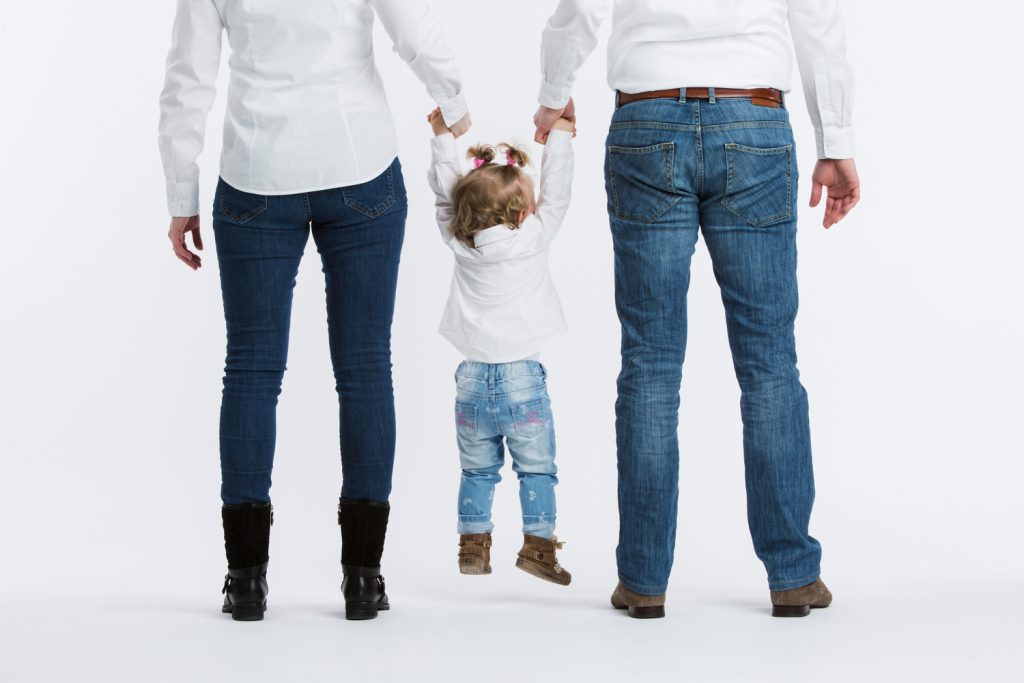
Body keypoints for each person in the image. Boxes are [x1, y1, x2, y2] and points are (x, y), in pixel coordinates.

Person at [533, 0, 861, 618]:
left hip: (646, 119)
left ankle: (643, 580)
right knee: (769, 362)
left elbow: (577, 8)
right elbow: (818, 20)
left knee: (650, 364)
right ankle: (792, 575)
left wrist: (554, 91)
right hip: (755, 119)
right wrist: (835, 139)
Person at [158, 0, 470, 622]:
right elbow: (415, 30)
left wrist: (180, 192)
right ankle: (364, 580)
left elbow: (188, 81)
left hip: (256, 172)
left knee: (250, 370)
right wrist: (456, 107)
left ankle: (245, 582)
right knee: (364, 369)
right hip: (358, 164)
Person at [426, 108, 577, 585]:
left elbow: (445, 196)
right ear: (521, 213)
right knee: (537, 471)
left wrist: (443, 141)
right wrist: (561, 137)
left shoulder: (458, 240)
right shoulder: (533, 237)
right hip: (522, 379)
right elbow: (560, 191)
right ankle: (538, 546)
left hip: (470, 379)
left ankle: (473, 544)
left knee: (477, 471)